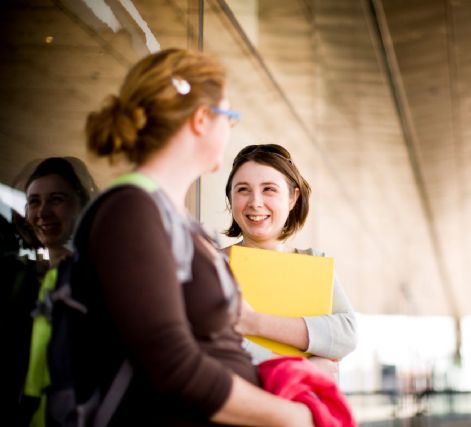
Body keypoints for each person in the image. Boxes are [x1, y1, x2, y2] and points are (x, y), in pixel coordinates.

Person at [81, 48, 313, 426]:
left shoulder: (171, 217)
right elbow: (169, 362)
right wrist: (290, 416)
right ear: (202, 120)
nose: (229, 130)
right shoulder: (132, 212)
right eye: (230, 117)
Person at [223, 143, 358, 375]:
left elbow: (346, 335)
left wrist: (252, 321)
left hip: (305, 404)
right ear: (230, 198)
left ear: (292, 198)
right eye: (243, 189)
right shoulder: (214, 263)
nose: (255, 202)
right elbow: (215, 345)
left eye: (269, 189)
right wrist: (304, 369)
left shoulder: (314, 262)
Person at [15, 157, 97, 426]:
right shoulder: (23, 279)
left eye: (56, 199)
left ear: (82, 205)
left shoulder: (97, 279)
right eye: (34, 202)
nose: (42, 212)